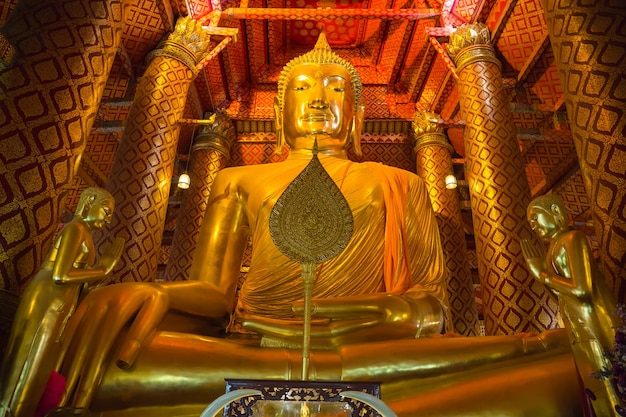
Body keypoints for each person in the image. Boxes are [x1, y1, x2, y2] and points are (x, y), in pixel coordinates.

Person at [7, 34, 583, 416]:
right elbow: (213, 292)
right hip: (251, 347)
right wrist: (151, 289)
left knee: (560, 355)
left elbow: (434, 308)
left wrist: (390, 311)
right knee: (105, 357)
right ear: (280, 108)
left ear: (357, 113)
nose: (316, 98)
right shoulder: (238, 180)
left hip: (370, 352)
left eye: (335, 90)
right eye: (302, 88)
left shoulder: (399, 183)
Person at [0, 187, 124, 417]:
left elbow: (78, 282)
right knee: (29, 361)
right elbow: (61, 275)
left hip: (62, 302)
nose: (107, 219)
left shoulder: (86, 235)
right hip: (48, 295)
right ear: (88, 203)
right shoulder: (75, 228)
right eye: (106, 211)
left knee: (41, 367)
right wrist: (101, 270)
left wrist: (95, 279)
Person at [522, 194, 621, 416]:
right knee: (597, 389)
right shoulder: (552, 249)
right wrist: (540, 276)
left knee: (613, 380)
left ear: (555, 212)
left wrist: (544, 275)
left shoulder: (572, 239)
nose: (534, 225)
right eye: (531, 223)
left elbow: (582, 290)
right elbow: (560, 293)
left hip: (595, 320)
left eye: (536, 218)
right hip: (579, 328)